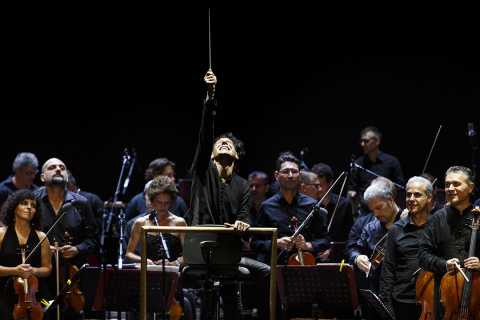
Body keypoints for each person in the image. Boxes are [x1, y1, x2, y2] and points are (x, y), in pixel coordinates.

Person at [188, 69, 270, 320]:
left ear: (237, 154)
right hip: (201, 251)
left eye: (229, 144)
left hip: (230, 255)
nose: (224, 143)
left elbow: (244, 214)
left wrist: (242, 223)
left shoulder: (243, 184)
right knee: (210, 302)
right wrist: (210, 97)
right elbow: (204, 134)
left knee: (266, 271)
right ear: (210, 154)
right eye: (219, 143)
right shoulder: (203, 172)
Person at [34, 158, 98, 320]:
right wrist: (43, 249)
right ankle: (46, 304)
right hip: (41, 277)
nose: (58, 169)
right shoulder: (31, 201)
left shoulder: (82, 203)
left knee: (70, 311)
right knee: (46, 306)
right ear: (42, 177)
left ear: (67, 176)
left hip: (71, 278)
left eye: (62, 167)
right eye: (52, 167)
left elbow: (93, 240)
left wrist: (77, 249)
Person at [418, 166, 480, 319]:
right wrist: (444, 264)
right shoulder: (436, 219)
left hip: (476, 297)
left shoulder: (478, 216)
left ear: (471, 188)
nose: (450, 188)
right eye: (447, 185)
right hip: (443, 299)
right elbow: (422, 255)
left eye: (456, 184)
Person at [252, 152, 330, 265]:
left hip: (306, 266)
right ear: (276, 175)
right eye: (285, 171)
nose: (290, 175)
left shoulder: (312, 205)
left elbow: (325, 240)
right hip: (276, 268)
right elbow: (255, 243)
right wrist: (276, 243)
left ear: (299, 175)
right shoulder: (267, 207)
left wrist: (307, 245)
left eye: (294, 171)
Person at [379, 176, 433, 319]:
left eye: (417, 195)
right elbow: (388, 269)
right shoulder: (396, 230)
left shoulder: (438, 226)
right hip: (402, 301)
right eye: (408, 194)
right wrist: (386, 304)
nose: (411, 198)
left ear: (429, 198)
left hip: (432, 300)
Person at [0, 189, 52, 320]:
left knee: (49, 306)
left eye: (33, 205)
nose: (29, 207)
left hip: (36, 293)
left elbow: (48, 269)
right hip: (4, 292)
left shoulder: (42, 237)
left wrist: (33, 270)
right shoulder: (1, 234)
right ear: (14, 207)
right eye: (24, 203)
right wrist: (15, 270)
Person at [348, 177, 402, 292]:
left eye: (379, 207)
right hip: (376, 290)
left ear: (391, 200)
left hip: (403, 292)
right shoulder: (370, 228)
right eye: (372, 210)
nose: (376, 214)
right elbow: (354, 249)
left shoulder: (408, 222)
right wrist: (357, 258)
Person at [126, 175, 186, 266]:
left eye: (166, 203)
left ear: (171, 202)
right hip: (148, 273)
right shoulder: (140, 222)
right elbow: (129, 253)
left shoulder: (179, 223)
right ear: (152, 201)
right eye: (159, 202)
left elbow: (189, 256)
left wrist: (174, 262)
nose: (162, 206)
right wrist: (143, 260)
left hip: (172, 274)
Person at [348, 126, 405, 214]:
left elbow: (400, 187)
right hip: (365, 211)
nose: (362, 144)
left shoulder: (392, 162)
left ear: (377, 141)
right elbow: (352, 189)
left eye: (366, 141)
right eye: (361, 141)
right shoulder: (357, 164)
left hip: (387, 209)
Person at [311, 163, 354, 260]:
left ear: (330, 182)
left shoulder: (344, 204)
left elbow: (349, 235)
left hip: (338, 256)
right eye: (315, 186)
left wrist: (332, 251)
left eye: (321, 185)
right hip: (313, 255)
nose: (318, 189)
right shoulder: (309, 204)